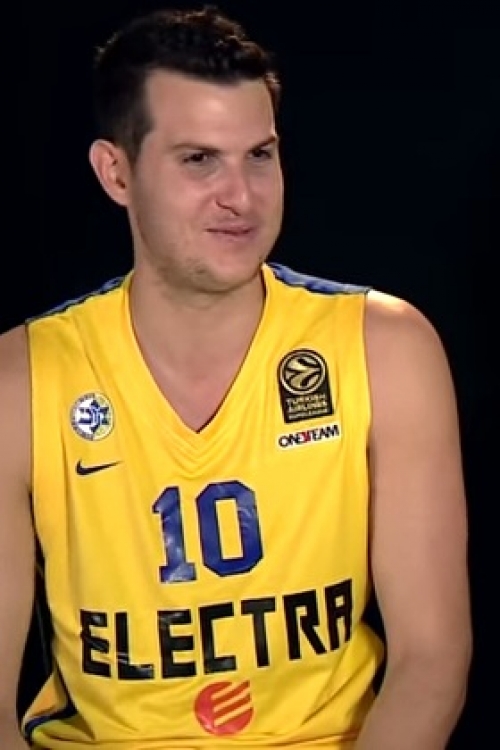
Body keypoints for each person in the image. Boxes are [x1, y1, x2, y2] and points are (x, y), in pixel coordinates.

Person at [0, 5, 472, 749]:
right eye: (199, 160)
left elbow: (431, 661)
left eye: (260, 155)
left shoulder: (384, 346)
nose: (242, 196)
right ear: (116, 172)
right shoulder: (21, 380)